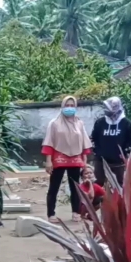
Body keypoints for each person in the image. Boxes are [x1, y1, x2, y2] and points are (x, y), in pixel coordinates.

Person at [42, 95, 92, 223]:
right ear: (62, 106)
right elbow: (49, 142)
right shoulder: (54, 123)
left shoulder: (79, 123)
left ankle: (76, 212)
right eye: (67, 106)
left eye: (72, 106)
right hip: (58, 157)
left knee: (75, 187)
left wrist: (84, 160)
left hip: (75, 158)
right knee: (54, 186)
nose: (69, 108)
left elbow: (84, 142)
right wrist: (48, 161)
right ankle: (51, 214)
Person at [89, 97, 131, 188]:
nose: (106, 110)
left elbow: (129, 141)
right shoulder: (100, 123)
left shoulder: (126, 123)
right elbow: (94, 138)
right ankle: (98, 202)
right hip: (101, 161)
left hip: (119, 162)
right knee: (98, 184)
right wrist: (97, 152)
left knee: (120, 185)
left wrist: (124, 153)